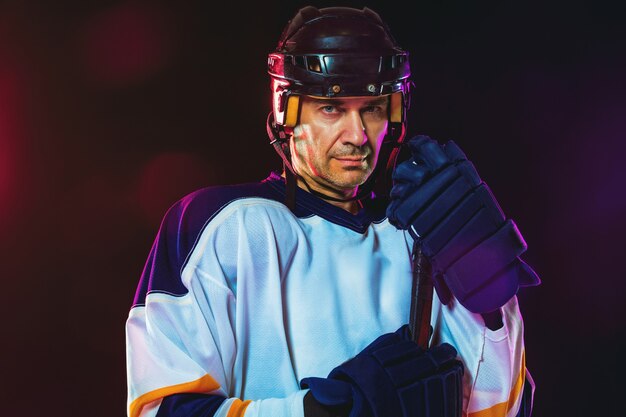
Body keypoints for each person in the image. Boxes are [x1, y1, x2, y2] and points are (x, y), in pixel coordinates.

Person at [125, 6, 540, 417]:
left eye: (373, 108)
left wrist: (492, 305)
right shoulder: (218, 226)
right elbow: (163, 410)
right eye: (332, 108)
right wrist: (320, 411)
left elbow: (505, 408)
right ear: (286, 111)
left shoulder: (424, 234)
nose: (358, 136)